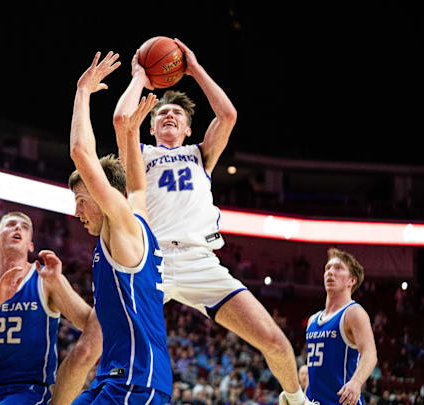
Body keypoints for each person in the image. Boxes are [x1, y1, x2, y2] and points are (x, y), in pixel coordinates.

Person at [105, 38, 313, 405]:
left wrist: (194, 68)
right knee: (100, 342)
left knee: (275, 341)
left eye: (178, 115)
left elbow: (228, 115)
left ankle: (296, 400)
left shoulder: (200, 154)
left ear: (188, 129)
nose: (169, 116)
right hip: (150, 263)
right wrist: (139, 74)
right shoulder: (140, 152)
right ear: (151, 127)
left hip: (200, 261)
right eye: (161, 114)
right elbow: (122, 119)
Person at [66, 51, 171, 404]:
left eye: (82, 199)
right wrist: (131, 130)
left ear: (103, 194)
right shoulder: (136, 211)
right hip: (113, 378)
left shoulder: (122, 221)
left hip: (136, 382)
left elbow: (82, 151)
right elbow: (137, 185)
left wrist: (82, 92)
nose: (76, 211)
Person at [0, 211, 93, 405]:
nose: (18, 228)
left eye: (25, 227)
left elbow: (87, 323)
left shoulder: (46, 278)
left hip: (29, 389)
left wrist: (59, 283)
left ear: (30, 245)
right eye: (11, 224)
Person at [305, 248, 377, 405]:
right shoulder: (312, 320)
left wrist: (357, 382)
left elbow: (370, 353)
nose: (330, 272)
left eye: (338, 268)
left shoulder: (353, 312)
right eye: (327, 268)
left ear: (351, 280)